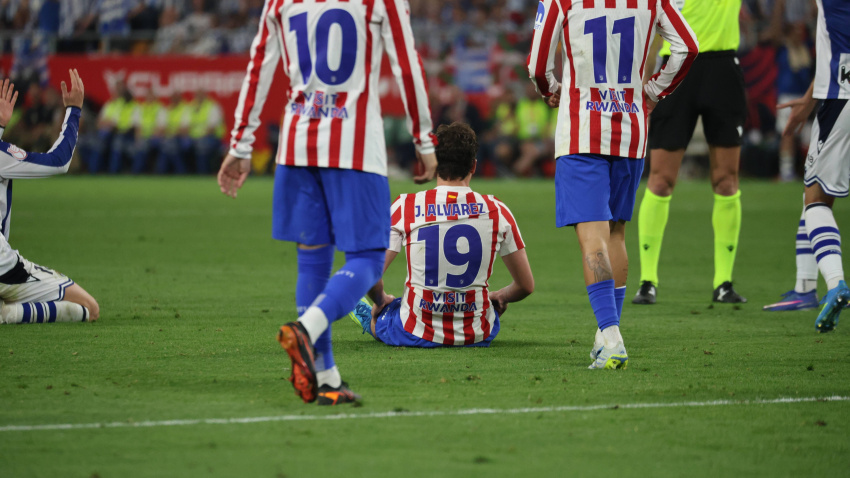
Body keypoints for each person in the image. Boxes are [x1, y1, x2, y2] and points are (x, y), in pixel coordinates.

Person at [218, 0, 437, 405]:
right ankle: (304, 328)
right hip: (353, 149)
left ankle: (327, 379)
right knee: (369, 258)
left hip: (297, 147)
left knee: (313, 261)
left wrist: (242, 144)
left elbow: (258, 67)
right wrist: (423, 139)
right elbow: (407, 65)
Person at [528, 0, 698, 369]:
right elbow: (687, 47)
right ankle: (608, 334)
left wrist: (551, 89)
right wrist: (653, 91)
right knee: (616, 233)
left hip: (580, 133)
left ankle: (612, 336)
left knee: (592, 235)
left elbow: (537, 64)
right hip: (630, 132)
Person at [354, 122, 534, 347]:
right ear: (474, 166)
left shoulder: (406, 206)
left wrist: (381, 300)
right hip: (476, 334)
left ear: (434, 164)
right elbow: (526, 285)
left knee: (387, 309)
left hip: (416, 332)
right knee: (483, 306)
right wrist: (502, 296)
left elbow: (372, 273)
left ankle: (371, 317)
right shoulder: (497, 209)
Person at [632, 0, 747, 305]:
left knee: (726, 179)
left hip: (722, 67)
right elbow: (654, 23)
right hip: (676, 62)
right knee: (660, 179)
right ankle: (647, 281)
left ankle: (724, 282)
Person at [772, 0, 850, 332]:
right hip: (830, 89)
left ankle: (835, 284)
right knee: (814, 194)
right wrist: (810, 96)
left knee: (816, 199)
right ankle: (805, 287)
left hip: (841, 95)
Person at [0, 71, 100, 324]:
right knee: (89, 307)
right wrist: (74, 110)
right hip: (3, 267)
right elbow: (59, 162)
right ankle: (8, 314)